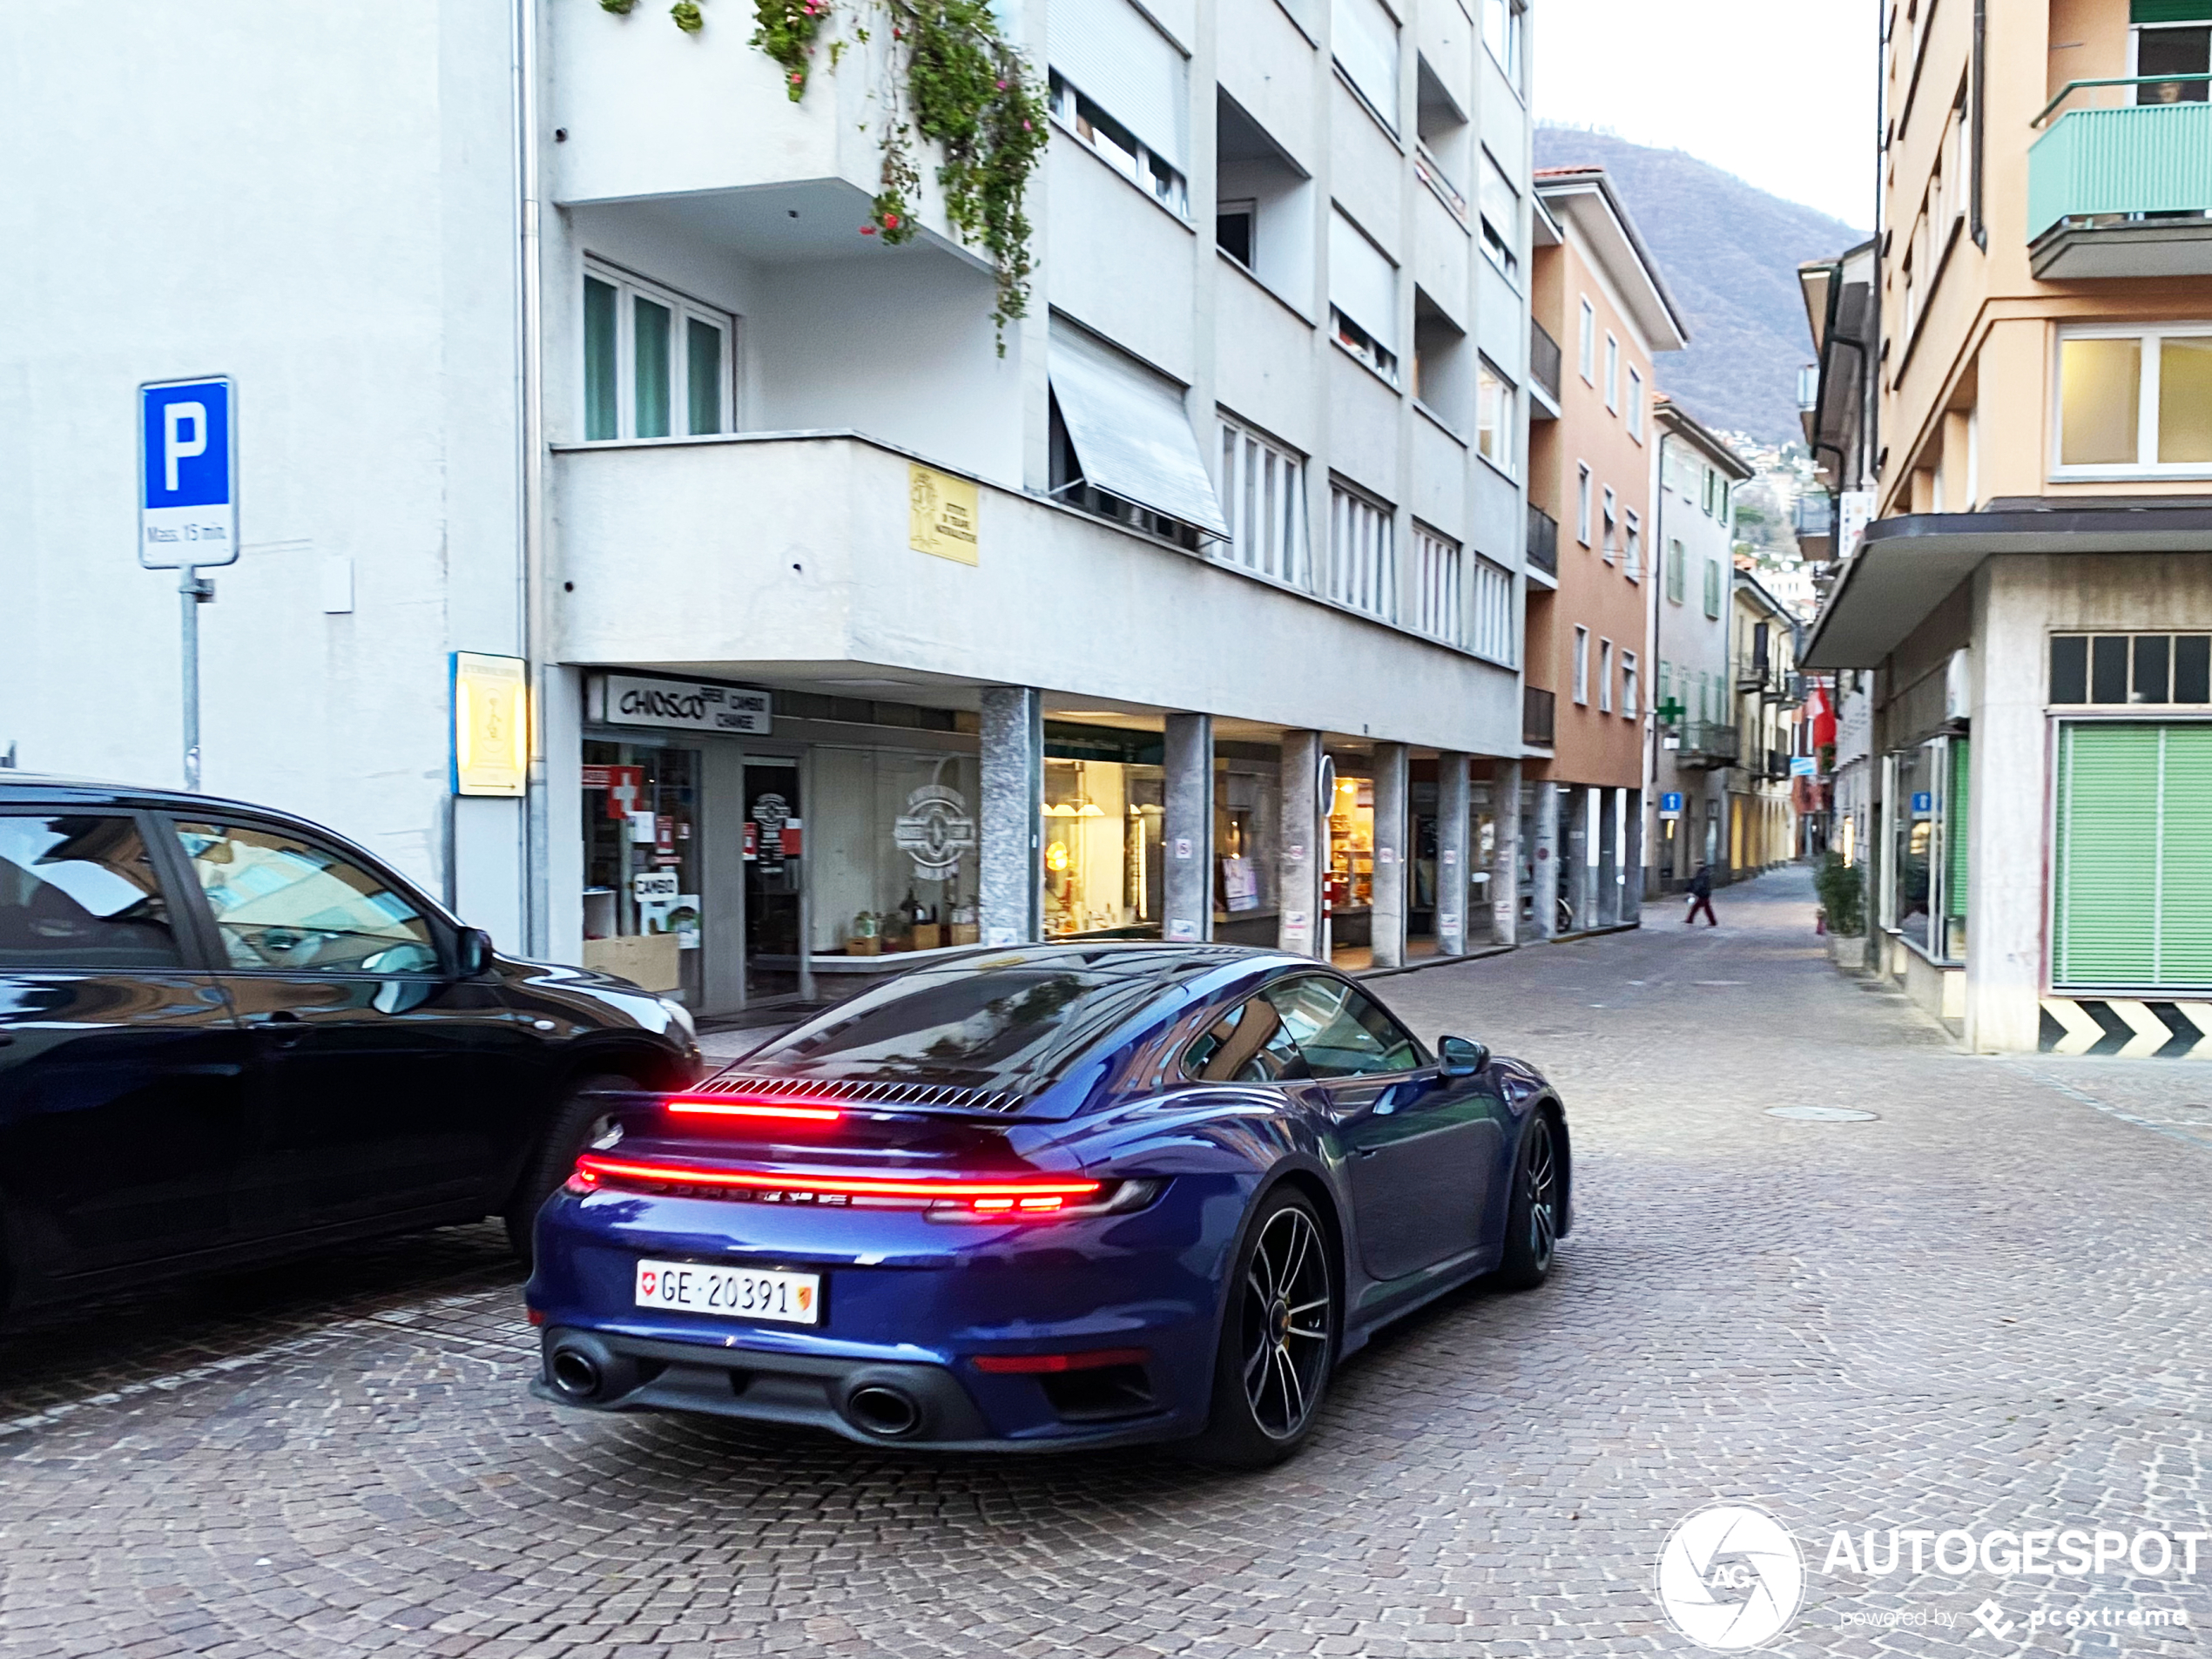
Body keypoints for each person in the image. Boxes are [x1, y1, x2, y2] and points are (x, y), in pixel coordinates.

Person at [1685, 863, 1717, 927]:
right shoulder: (1703, 873)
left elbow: (1699, 884)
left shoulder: (1702, 874)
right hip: (1704, 892)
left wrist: (1694, 891)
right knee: (1697, 907)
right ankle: (1689, 919)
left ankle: (1713, 922)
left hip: (1703, 893)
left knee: (1706, 908)